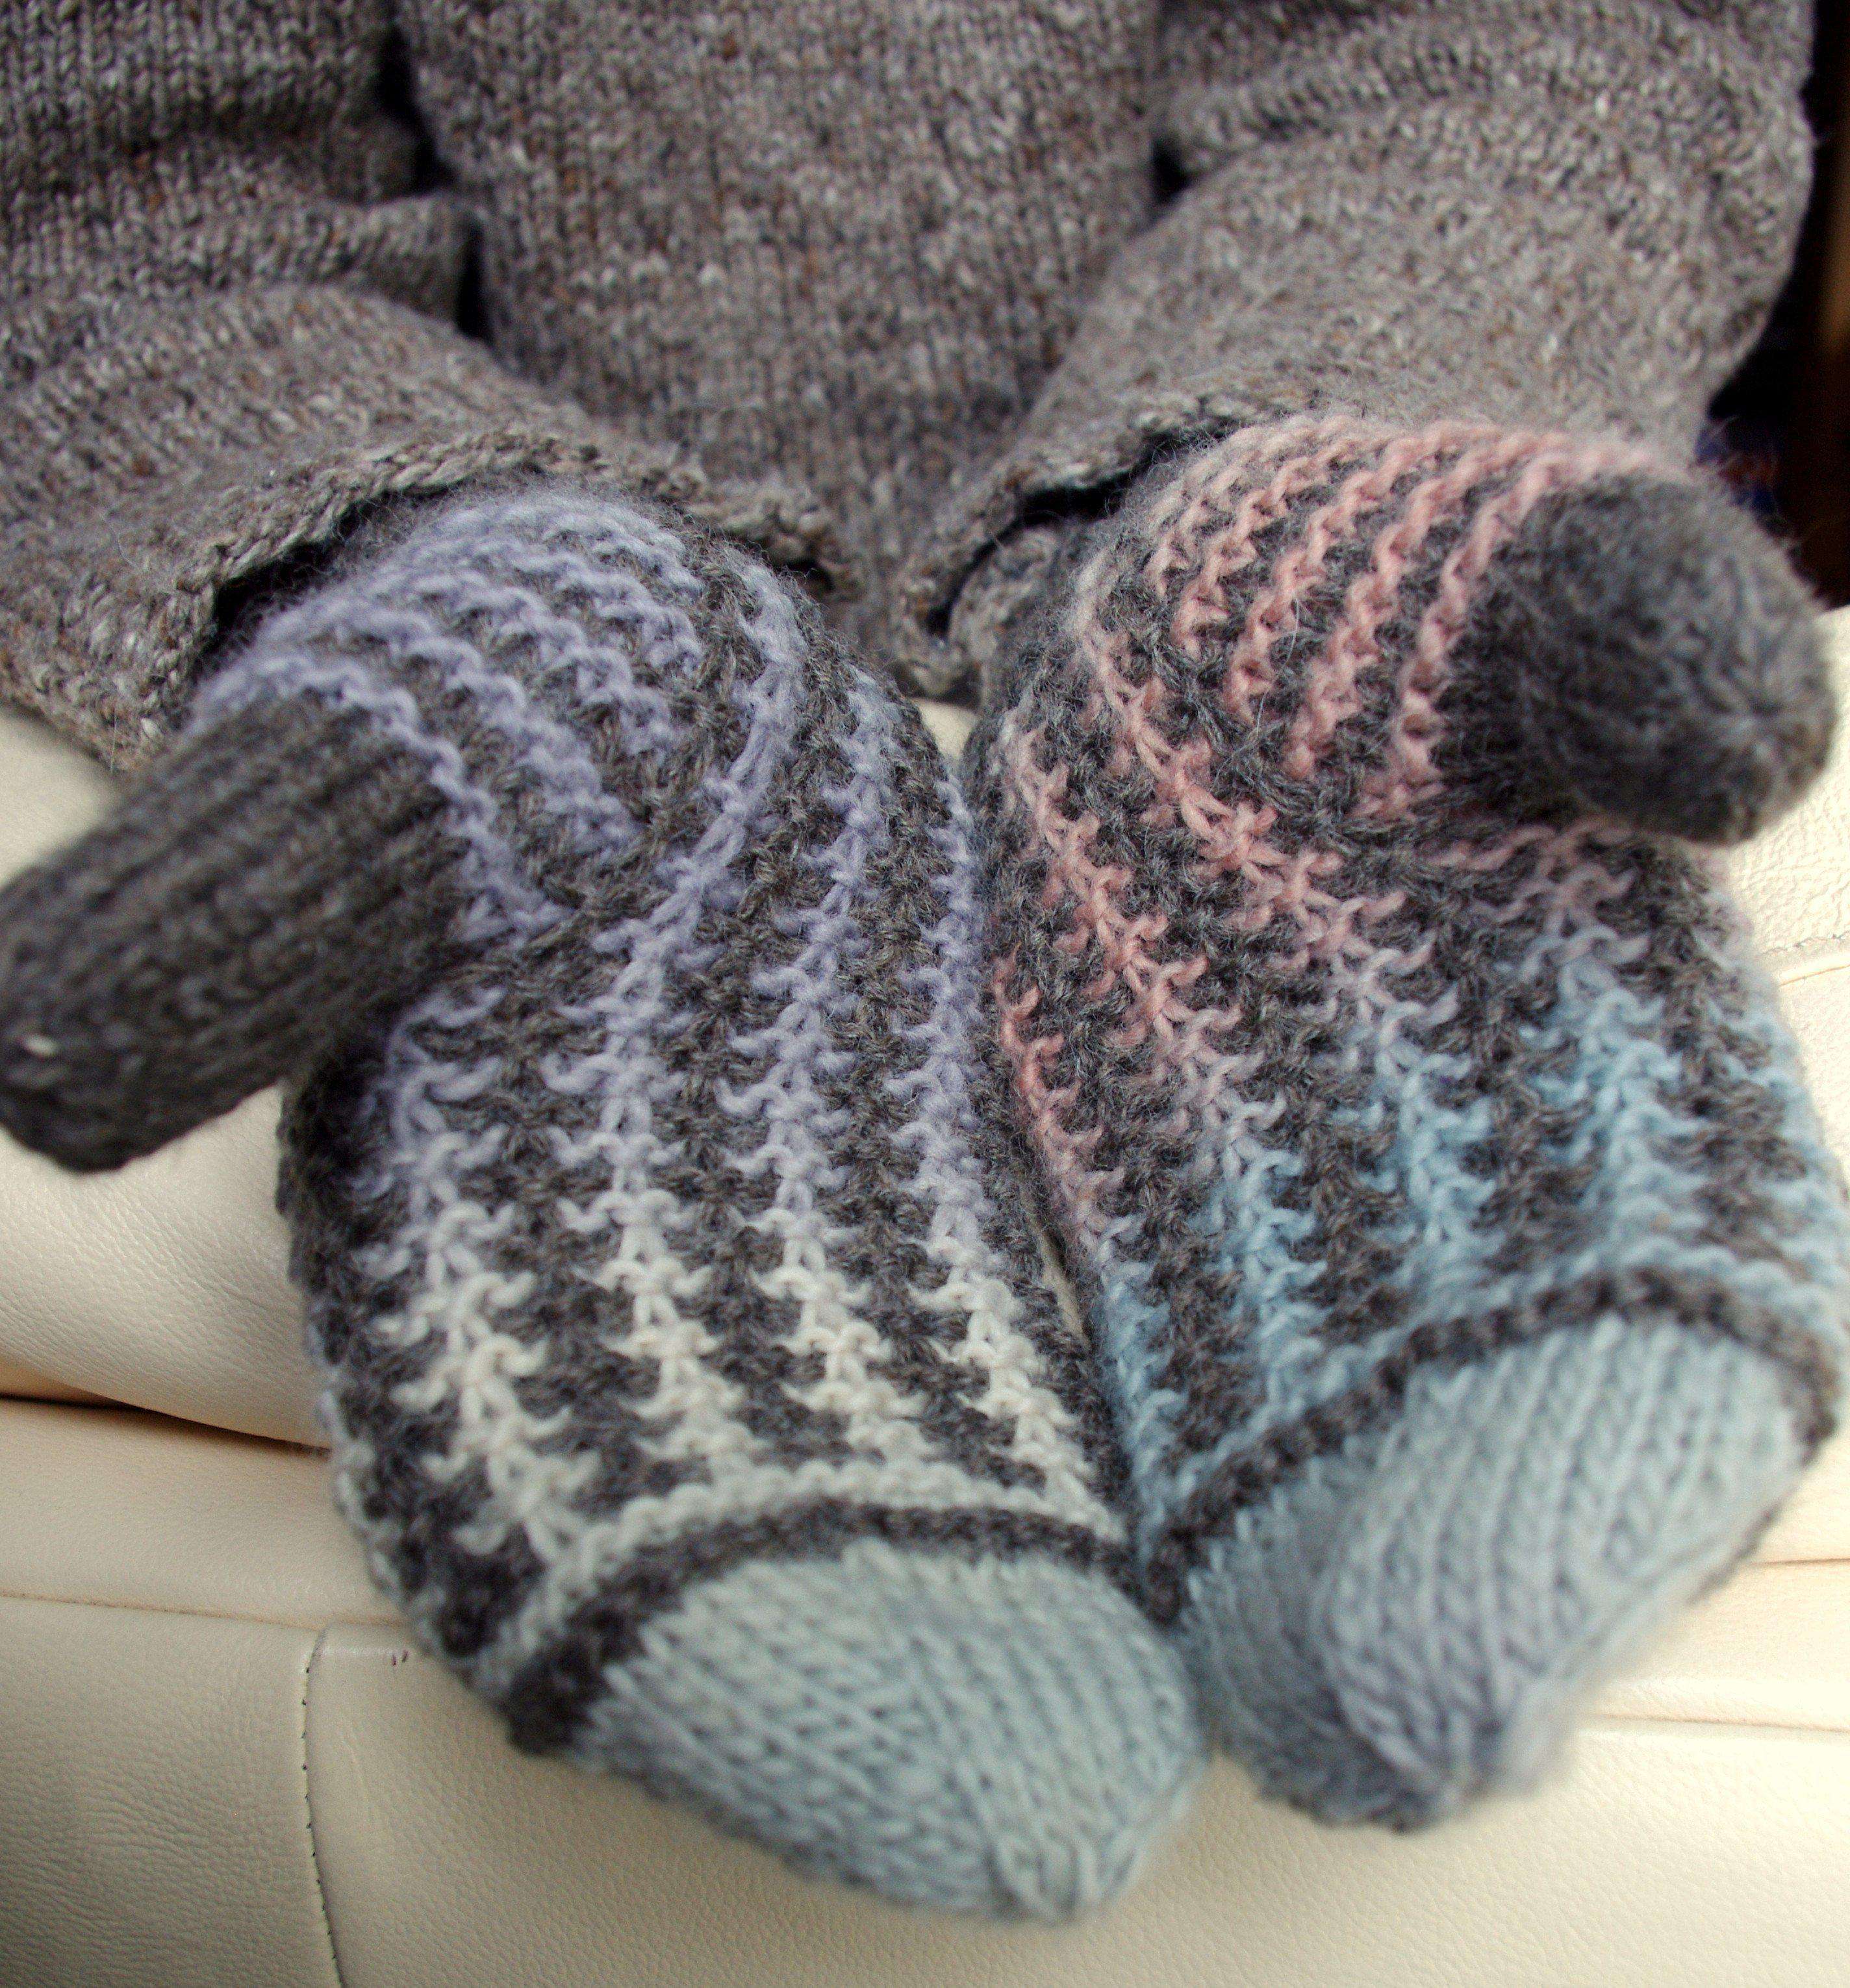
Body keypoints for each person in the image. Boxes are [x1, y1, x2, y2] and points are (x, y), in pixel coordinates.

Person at [0, 0, 1842, 1917]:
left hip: (1229, 514)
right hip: (544, 560)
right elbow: (112, 205)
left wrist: (1264, 526)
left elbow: (1528, 53)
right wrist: (504, 607)